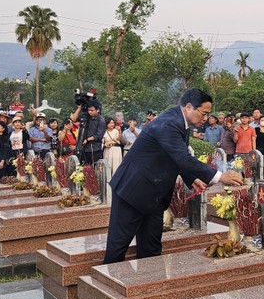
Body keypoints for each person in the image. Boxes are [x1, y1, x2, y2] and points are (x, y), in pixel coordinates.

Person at [102, 89, 243, 264]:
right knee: (118, 247)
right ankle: (107, 288)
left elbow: (174, 156)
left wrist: (191, 178)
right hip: (133, 191)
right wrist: (220, 176)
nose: (206, 118)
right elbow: (183, 158)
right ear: (189, 107)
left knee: (151, 248)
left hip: (154, 196)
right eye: (204, 113)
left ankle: (148, 287)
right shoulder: (169, 123)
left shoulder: (180, 122)